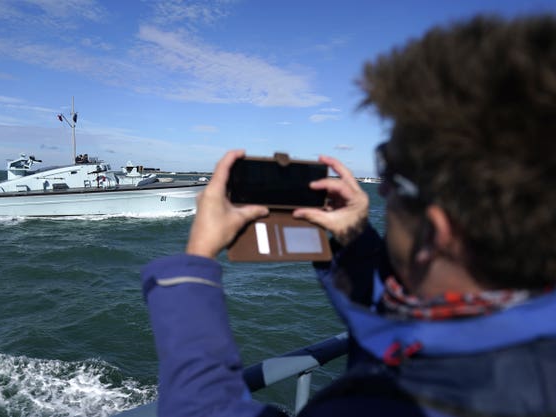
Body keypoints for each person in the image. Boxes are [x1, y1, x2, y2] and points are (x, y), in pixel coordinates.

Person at [140, 14, 556, 417]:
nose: (383, 188)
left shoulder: (383, 405)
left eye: (390, 173)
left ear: (438, 231)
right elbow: (399, 320)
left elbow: (201, 408)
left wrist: (194, 263)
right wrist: (355, 240)